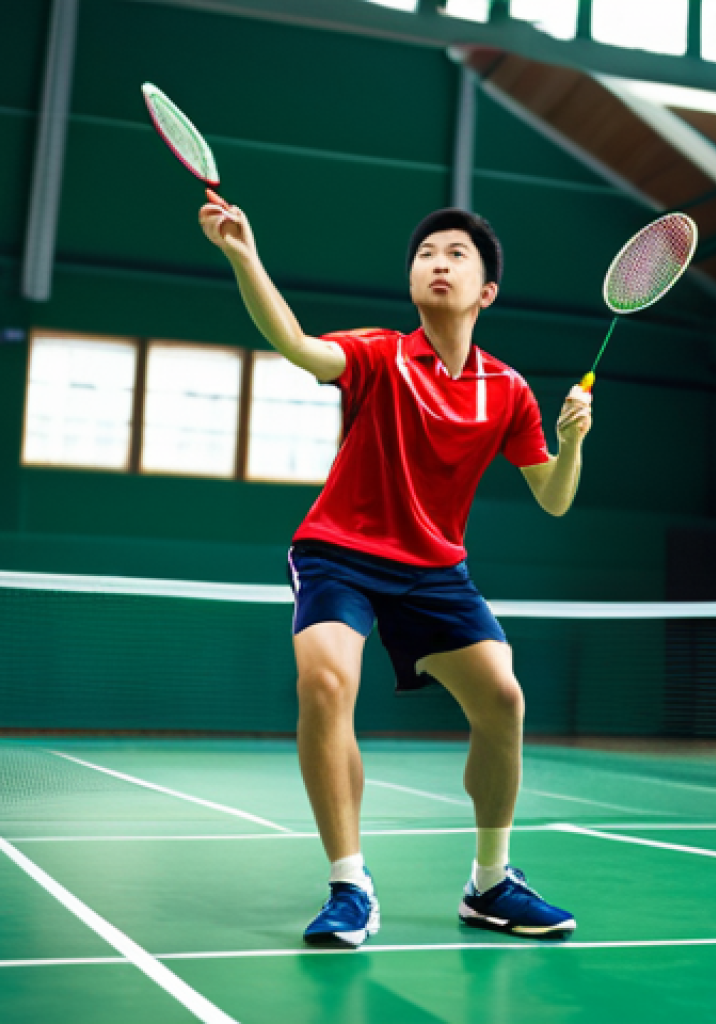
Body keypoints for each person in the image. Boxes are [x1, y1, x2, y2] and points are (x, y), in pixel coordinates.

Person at [199, 192, 591, 947]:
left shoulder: (508, 391)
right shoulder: (381, 355)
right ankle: (349, 885)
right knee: (325, 685)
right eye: (425, 254)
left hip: (436, 568)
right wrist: (245, 256)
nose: (438, 262)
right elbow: (297, 345)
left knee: (503, 700)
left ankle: (490, 884)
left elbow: (553, 498)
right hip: (340, 552)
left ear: (486, 292)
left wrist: (571, 442)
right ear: (411, 280)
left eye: (456, 254)